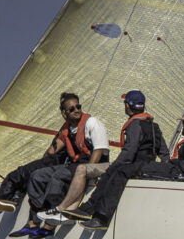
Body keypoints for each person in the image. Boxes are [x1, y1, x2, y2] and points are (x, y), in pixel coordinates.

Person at [0, 92, 105, 230]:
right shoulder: (66, 129)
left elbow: (96, 153)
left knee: (36, 175)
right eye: (71, 108)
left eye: (78, 107)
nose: (76, 110)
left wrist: (88, 173)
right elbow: (51, 151)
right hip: (59, 161)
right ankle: (1, 206)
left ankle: (6, 210)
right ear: (64, 113)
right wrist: (37, 166)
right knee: (20, 173)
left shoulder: (90, 123)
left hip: (72, 165)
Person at [61, 89, 170, 230]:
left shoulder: (135, 124)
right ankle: (88, 210)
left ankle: (96, 215)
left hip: (136, 166)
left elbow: (128, 153)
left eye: (125, 103)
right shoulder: (153, 125)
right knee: (115, 170)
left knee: (112, 173)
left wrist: (112, 166)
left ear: (128, 106)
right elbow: (164, 154)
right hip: (148, 166)